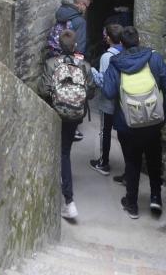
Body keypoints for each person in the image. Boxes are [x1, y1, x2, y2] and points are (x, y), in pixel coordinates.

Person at [102, 26, 166, 220]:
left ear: (121, 44)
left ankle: (132, 204)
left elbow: (108, 92)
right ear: (139, 39)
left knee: (132, 163)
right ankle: (155, 198)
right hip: (153, 122)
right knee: (153, 160)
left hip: (127, 124)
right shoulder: (154, 58)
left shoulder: (115, 63)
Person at [39, 29, 95, 220]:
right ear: (75, 46)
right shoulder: (84, 65)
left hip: (54, 112)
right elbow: (91, 92)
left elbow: (43, 90)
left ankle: (66, 196)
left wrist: (58, 98)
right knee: (64, 152)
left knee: (55, 148)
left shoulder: (51, 64)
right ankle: (68, 201)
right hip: (74, 116)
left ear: (58, 46)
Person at [53, 0, 92, 141]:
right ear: (81, 4)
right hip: (71, 60)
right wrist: (80, 63)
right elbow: (80, 46)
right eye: (87, 6)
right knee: (73, 91)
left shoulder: (61, 12)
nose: (87, 9)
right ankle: (72, 128)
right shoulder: (80, 21)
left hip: (56, 57)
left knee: (58, 89)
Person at [90, 23, 123, 175]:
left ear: (108, 38)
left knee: (105, 131)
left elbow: (102, 81)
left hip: (108, 101)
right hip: (122, 100)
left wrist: (91, 71)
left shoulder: (106, 57)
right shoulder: (126, 52)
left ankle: (103, 162)